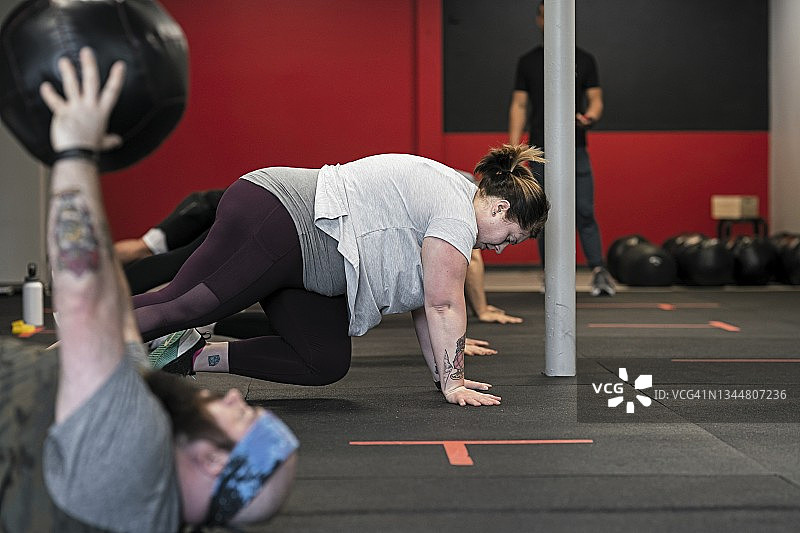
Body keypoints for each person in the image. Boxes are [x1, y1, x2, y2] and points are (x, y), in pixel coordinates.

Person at [0, 47, 298, 531]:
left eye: (243, 420)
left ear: (215, 463)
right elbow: (117, 321)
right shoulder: (153, 467)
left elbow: (85, 303)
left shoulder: (132, 463)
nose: (236, 399)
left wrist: (75, 153)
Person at [133, 143, 550, 407]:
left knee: (322, 360)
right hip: (281, 216)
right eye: (509, 238)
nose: (497, 250)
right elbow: (443, 304)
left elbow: (427, 306)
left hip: (311, 266)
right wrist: (454, 382)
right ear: (499, 208)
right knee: (186, 305)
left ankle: (189, 356)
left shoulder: (454, 205)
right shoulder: (457, 212)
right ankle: (76, 323)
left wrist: (446, 378)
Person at [508, 0, 616, 296]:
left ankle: (599, 271)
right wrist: (515, 148)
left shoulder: (584, 59)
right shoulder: (528, 61)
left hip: (575, 147)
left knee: (583, 210)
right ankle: (550, 274)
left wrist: (590, 116)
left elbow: (595, 100)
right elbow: (519, 104)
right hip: (540, 152)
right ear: (540, 19)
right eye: (545, 13)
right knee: (546, 213)